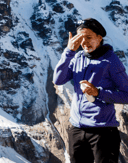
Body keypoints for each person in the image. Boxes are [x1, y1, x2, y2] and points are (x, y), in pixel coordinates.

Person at [53, 18, 128, 163]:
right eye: (81, 38)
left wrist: (98, 93)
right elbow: (58, 79)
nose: (85, 42)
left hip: (103, 132)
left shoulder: (111, 61)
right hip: (77, 129)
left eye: (89, 37)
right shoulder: (77, 58)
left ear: (99, 38)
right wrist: (69, 51)